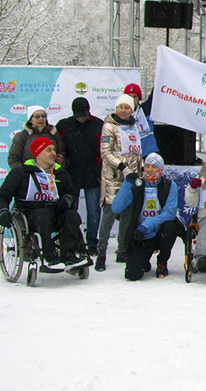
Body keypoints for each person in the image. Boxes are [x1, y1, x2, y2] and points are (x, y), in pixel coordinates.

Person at [0, 136, 88, 271]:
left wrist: (67, 199)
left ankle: (69, 255)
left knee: (71, 215)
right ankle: (50, 257)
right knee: (41, 215)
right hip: (30, 215)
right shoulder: (21, 172)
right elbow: (1, 196)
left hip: (55, 212)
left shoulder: (60, 172)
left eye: (54, 150)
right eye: (48, 150)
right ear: (37, 154)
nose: (53, 153)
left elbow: (71, 193)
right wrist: (3, 211)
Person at [111, 152, 184, 280]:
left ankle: (162, 261)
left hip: (160, 232)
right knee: (132, 275)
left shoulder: (169, 185)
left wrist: (146, 225)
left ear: (161, 168)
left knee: (170, 226)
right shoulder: (137, 185)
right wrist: (127, 183)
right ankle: (144, 261)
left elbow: (170, 213)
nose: (150, 170)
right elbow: (116, 207)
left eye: (154, 166)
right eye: (147, 166)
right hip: (141, 236)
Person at [95, 94, 143, 270]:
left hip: (131, 178)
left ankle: (122, 250)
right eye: (120, 107)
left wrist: (141, 169)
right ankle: (101, 253)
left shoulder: (134, 125)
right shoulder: (109, 126)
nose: (123, 110)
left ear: (132, 109)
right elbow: (105, 153)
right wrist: (122, 167)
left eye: (127, 107)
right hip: (114, 178)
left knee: (127, 216)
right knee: (108, 217)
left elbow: (137, 152)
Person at [55, 97, 104, 255]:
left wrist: (99, 170)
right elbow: (55, 145)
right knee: (71, 210)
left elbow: (104, 150)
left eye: (83, 114)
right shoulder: (63, 125)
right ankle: (74, 241)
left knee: (94, 211)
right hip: (70, 175)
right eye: (78, 115)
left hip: (92, 175)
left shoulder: (99, 125)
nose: (81, 118)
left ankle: (91, 243)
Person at [123, 83, 159, 155]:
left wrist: (162, 74)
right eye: (129, 96)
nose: (132, 99)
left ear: (139, 98)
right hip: (128, 155)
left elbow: (155, 94)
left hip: (148, 153)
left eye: (135, 96)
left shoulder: (146, 110)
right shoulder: (120, 115)